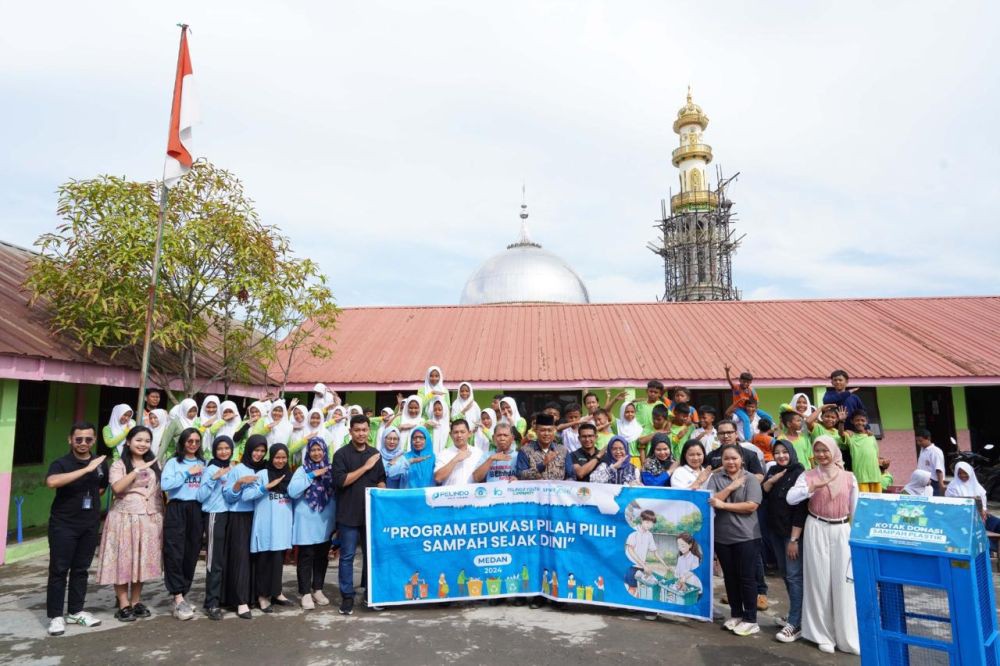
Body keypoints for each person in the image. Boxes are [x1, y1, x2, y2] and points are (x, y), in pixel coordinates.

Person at [786, 436, 860, 655]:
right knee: (818, 581)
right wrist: (811, 488)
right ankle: (822, 634)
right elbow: (791, 499)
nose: (821, 455)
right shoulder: (807, 476)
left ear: (834, 451)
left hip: (841, 530)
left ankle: (846, 636)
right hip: (816, 527)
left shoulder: (849, 477)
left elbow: (855, 511)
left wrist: (855, 538)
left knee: (843, 582)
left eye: (825, 450)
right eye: (817, 450)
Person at [44, 422, 109, 636]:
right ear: (70, 439)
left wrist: (93, 469)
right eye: (78, 439)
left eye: (88, 439)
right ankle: (55, 616)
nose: (83, 443)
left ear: (94, 440)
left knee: (81, 570)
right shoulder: (61, 463)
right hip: (63, 525)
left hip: (89, 524)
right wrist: (86, 469)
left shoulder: (101, 463)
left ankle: (75, 611)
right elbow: (52, 482)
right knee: (59, 570)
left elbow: (101, 488)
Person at [96, 426, 163, 623]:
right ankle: (123, 603)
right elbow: (116, 488)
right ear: (128, 442)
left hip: (149, 519)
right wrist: (136, 472)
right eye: (138, 440)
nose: (143, 444)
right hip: (124, 519)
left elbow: (158, 492)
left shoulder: (155, 464)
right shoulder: (119, 465)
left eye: (147, 441)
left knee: (141, 561)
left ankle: (136, 601)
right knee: (123, 561)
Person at [332, 415, 387, 615]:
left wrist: (383, 493)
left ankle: (369, 594)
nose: (362, 433)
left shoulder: (375, 454)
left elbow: (381, 480)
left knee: (370, 556)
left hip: (370, 515)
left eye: (365, 430)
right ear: (350, 432)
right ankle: (347, 596)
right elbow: (341, 481)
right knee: (347, 557)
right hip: (348, 515)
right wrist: (365, 467)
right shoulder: (341, 455)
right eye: (357, 430)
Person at [707, 444, 764, 637]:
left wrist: (723, 504)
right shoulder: (715, 478)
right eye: (726, 459)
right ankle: (736, 614)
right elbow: (712, 501)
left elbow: (751, 506)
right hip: (723, 537)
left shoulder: (750, 479)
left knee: (746, 577)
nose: (730, 462)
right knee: (730, 578)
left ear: (742, 460)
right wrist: (731, 487)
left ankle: (751, 619)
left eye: (734, 458)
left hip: (747, 536)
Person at [761, 440, 807, 643]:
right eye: (777, 452)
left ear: (792, 453)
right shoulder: (774, 471)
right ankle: (797, 615)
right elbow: (763, 494)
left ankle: (796, 623)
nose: (780, 456)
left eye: (784, 452)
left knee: (795, 576)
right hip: (776, 532)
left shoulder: (800, 473)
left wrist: (794, 539)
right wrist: (772, 481)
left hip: (791, 535)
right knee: (787, 576)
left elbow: (801, 508)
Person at [242, 443, 293, 613]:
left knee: (278, 559)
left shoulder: (289, 475)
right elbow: (247, 495)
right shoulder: (263, 474)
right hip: (266, 524)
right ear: (271, 457)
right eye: (277, 457)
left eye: (283, 457)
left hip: (282, 524)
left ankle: (276, 592)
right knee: (264, 560)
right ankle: (262, 596)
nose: (280, 461)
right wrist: (266, 487)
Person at [160, 427, 205, 621]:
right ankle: (177, 597)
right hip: (177, 508)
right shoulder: (173, 462)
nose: (193, 444)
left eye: (196, 441)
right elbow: (165, 485)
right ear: (183, 443)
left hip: (197, 509)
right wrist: (188, 472)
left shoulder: (204, 462)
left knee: (191, 552)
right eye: (190, 441)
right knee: (174, 552)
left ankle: (182, 595)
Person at [223, 435, 269, 619]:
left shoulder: (264, 469)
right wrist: (239, 483)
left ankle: (256, 596)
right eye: (255, 450)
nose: (258, 454)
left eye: (262, 451)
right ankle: (241, 601)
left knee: (256, 558)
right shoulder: (238, 469)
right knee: (240, 558)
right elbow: (228, 496)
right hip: (240, 517)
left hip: (259, 515)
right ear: (248, 449)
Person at [289, 438, 337, 610]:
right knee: (306, 557)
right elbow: (292, 492)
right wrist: (311, 475)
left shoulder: (331, 470)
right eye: (313, 450)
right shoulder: (303, 470)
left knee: (321, 557)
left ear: (325, 451)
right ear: (308, 452)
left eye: (320, 450)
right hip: (306, 522)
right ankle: (305, 593)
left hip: (325, 521)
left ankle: (317, 589)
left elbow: (337, 492)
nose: (316, 453)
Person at [196, 435, 234, 621]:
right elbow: (201, 496)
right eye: (220, 448)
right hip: (214, 516)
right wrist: (213, 478)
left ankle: (222, 598)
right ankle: (211, 602)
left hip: (229, 515)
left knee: (225, 560)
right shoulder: (210, 468)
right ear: (214, 450)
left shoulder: (231, 467)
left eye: (227, 448)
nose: (224, 451)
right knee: (214, 561)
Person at [624, 509, 669, 596]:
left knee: (639, 589)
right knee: (632, 588)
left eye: (652, 523)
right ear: (642, 520)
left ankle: (634, 607)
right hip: (631, 566)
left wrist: (665, 566)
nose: (649, 525)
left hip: (641, 568)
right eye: (647, 522)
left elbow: (655, 552)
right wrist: (645, 566)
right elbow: (630, 550)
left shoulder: (649, 535)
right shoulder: (634, 532)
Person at [515, 413, 568, 481]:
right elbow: (520, 476)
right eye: (543, 430)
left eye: (549, 430)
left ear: (554, 431)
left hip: (557, 491)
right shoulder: (525, 451)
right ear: (536, 431)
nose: (546, 434)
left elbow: (571, 475)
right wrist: (542, 464)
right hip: (534, 491)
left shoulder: (563, 450)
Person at [839, 410, 880, 493]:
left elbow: (876, 455)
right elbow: (841, 434)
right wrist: (841, 421)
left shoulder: (871, 436)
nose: (860, 422)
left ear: (866, 422)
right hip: (861, 477)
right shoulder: (851, 436)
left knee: (876, 502)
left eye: (862, 420)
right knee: (863, 503)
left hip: (876, 477)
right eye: (857, 420)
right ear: (852, 421)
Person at [434, 420, 480, 485]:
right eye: (456, 432)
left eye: (462, 432)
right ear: (450, 434)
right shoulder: (443, 454)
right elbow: (438, 478)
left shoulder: (478, 452)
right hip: (450, 494)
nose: (459, 435)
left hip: (473, 494)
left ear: (469, 433)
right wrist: (455, 459)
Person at [915, 429, 945, 496]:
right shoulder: (922, 449)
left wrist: (941, 484)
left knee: (933, 501)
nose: (918, 443)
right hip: (923, 481)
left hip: (933, 482)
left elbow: (939, 469)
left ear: (928, 438)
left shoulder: (935, 451)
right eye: (917, 441)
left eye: (920, 441)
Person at [616, 402, 644, 466]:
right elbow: (607, 412)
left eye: (632, 412)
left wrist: (643, 465)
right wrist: (615, 400)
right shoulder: (618, 426)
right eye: (627, 412)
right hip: (621, 461)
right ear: (622, 412)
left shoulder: (639, 429)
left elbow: (641, 449)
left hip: (636, 461)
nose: (630, 414)